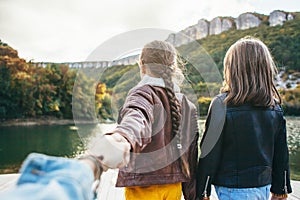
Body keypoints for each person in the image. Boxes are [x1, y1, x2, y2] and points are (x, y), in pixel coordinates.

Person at [90, 40, 199, 200]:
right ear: (174, 67)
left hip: (144, 188)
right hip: (174, 188)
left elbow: (136, 116)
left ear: (141, 64)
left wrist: (121, 136)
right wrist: (193, 195)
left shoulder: (142, 93)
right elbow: (191, 155)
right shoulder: (186, 104)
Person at [196, 36, 292, 200]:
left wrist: (202, 192)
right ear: (265, 69)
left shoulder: (221, 104)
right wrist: (281, 189)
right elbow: (281, 153)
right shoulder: (274, 107)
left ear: (231, 69)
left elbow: (209, 154)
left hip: (231, 190)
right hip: (263, 186)